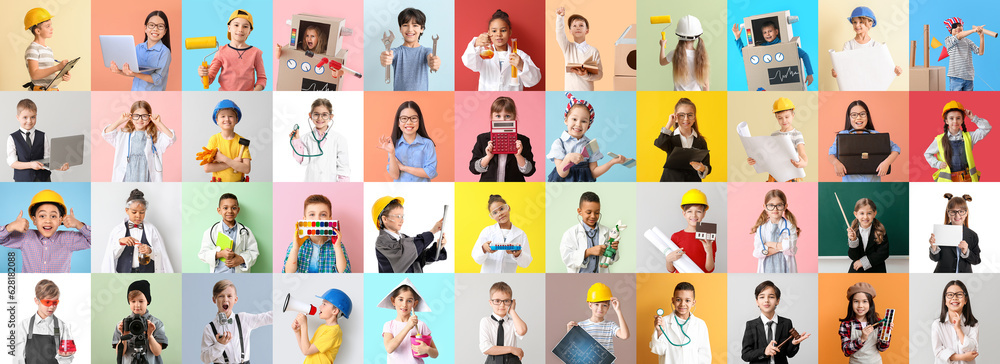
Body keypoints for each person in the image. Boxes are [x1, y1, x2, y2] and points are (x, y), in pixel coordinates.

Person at [0, 189, 89, 273]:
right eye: (42, 216)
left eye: (53, 216)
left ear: (60, 220)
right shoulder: (26, 237)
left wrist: (79, 225)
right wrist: (11, 227)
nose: (48, 221)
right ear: (34, 220)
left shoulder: (68, 239)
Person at [547, 92, 628, 182]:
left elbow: (593, 172)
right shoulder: (559, 143)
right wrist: (568, 158)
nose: (578, 124)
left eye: (584, 121)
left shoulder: (591, 145)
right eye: (574, 119)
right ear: (566, 120)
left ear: (589, 125)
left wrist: (612, 162)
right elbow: (562, 173)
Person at [461, 9, 541, 91]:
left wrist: (522, 65)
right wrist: (476, 44)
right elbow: (468, 62)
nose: (499, 34)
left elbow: (534, 80)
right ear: (488, 33)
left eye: (503, 30)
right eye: (494, 31)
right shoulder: (483, 53)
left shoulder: (520, 55)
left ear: (510, 32)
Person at [200, 280, 272, 364]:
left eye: (229, 296)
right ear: (214, 299)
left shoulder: (244, 319)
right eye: (221, 296)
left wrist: (285, 310)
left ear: (235, 299)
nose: (225, 299)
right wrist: (219, 345)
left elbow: (266, 317)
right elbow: (205, 359)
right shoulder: (209, 328)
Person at [102, 189, 173, 273]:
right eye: (134, 212)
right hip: (123, 275)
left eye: (142, 212)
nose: (138, 216)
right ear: (127, 210)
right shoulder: (117, 230)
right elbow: (110, 257)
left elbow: (161, 255)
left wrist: (150, 251)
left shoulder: (152, 230)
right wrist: (120, 242)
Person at [102, 100, 176, 182]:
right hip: (127, 176)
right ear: (131, 117)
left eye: (144, 116)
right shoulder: (123, 135)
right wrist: (120, 121)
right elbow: (107, 133)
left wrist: (159, 123)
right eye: (136, 116)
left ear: (149, 118)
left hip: (147, 176)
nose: (140, 119)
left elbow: (171, 138)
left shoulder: (155, 136)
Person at [827, 100, 900, 182]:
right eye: (854, 115)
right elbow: (831, 155)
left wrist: (886, 163)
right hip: (850, 185)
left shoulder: (875, 135)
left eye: (862, 114)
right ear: (849, 117)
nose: (858, 118)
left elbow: (896, 148)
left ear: (867, 116)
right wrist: (836, 163)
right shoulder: (842, 136)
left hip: (873, 184)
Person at [740, 281, 810, 364]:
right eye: (762, 297)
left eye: (771, 297)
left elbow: (790, 354)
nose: (766, 300)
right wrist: (764, 351)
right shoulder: (751, 325)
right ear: (757, 302)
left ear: (778, 301)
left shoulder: (786, 323)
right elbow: (745, 355)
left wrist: (794, 344)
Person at [372, 196, 446, 273]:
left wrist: (437, 247)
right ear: (385, 219)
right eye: (398, 216)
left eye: (402, 216)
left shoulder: (404, 238)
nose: (402, 220)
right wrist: (432, 231)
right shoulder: (382, 242)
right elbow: (408, 252)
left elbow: (420, 257)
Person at [469, 96, 535, 182]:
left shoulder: (523, 140)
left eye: (507, 116)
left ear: (514, 117)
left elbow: (529, 172)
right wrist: (488, 157)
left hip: (514, 189)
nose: (503, 120)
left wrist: (518, 155)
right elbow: (473, 169)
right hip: (489, 189)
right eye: (498, 116)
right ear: (492, 117)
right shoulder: (482, 139)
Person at [198, 9, 266, 91]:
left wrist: (254, 93)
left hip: (248, 97)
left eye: (245, 26)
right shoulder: (221, 51)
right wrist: (203, 75)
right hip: (225, 96)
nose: (240, 29)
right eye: (236, 25)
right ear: (229, 28)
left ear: (249, 31)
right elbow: (209, 79)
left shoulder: (256, 52)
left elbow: (262, 79)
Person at [732, 20, 813, 86]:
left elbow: (804, 55)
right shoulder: (762, 47)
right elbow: (745, 55)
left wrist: (809, 74)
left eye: (770, 31)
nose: (767, 34)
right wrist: (737, 37)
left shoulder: (785, 45)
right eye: (765, 32)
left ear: (776, 31)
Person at [923, 101, 990, 182]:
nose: (955, 121)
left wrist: (973, 118)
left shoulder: (969, 137)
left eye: (958, 118)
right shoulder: (939, 140)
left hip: (967, 178)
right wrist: (937, 164)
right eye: (951, 118)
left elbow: (986, 128)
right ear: (946, 121)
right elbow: (927, 154)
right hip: (947, 180)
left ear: (962, 120)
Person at [282, 194, 351, 273]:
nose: (317, 219)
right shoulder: (296, 245)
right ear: (305, 219)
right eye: (312, 214)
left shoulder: (338, 245)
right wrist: (295, 248)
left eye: (323, 215)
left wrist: (337, 247)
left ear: (330, 219)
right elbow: (287, 275)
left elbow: (346, 275)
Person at [14, 279, 76, 364]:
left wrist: (67, 356)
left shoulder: (62, 326)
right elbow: (18, 357)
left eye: (55, 302)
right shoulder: (25, 325)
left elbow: (66, 359)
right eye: (47, 302)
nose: (51, 307)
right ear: (37, 301)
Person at [831, 7, 902, 80]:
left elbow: (884, 67)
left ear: (870, 24)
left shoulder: (876, 46)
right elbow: (843, 66)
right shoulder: (849, 45)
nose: (857, 25)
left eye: (861, 22)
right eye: (854, 22)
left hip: (870, 84)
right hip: (854, 84)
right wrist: (836, 72)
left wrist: (896, 71)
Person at [290, 98, 351, 182]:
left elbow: (343, 169)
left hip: (331, 182)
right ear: (310, 116)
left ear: (331, 117)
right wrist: (296, 141)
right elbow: (303, 161)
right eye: (316, 114)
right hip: (311, 181)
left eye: (324, 115)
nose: (320, 118)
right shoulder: (305, 138)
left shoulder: (339, 139)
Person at [747, 98, 808, 182]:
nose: (784, 121)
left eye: (787, 117)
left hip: (791, 176)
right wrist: (755, 160)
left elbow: (802, 153)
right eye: (780, 118)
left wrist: (804, 163)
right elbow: (767, 155)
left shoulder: (797, 134)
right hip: (775, 176)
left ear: (793, 115)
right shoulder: (774, 135)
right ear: (776, 117)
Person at [109, 11, 172, 91]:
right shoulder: (138, 48)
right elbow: (132, 72)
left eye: (160, 26)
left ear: (165, 31)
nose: (155, 29)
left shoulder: (165, 52)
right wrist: (119, 71)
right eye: (151, 25)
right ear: (145, 29)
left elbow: (157, 80)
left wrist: (135, 73)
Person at [8, 99, 69, 182]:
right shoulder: (12, 138)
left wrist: (59, 167)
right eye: (25, 117)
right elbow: (12, 163)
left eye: (33, 117)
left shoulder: (43, 136)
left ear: (36, 116)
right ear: (18, 118)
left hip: (43, 180)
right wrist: (31, 165)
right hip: (23, 181)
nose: (29, 121)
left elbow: (47, 160)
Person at [376, 101, 438, 182]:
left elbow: (431, 172)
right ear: (398, 122)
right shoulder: (393, 145)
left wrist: (403, 168)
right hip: (400, 192)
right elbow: (394, 175)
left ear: (419, 120)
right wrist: (391, 153)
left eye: (413, 118)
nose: (409, 122)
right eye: (404, 118)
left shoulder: (427, 144)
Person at [380, 8, 441, 91]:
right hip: (399, 98)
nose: (410, 29)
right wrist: (385, 58)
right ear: (400, 28)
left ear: (422, 29)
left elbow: (431, 58)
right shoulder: (395, 52)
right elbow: (388, 56)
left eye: (415, 25)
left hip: (421, 98)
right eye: (405, 25)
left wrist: (435, 63)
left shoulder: (426, 51)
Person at [650, 282, 711, 363]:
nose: (682, 304)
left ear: (693, 302)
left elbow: (704, 356)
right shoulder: (663, 322)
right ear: (673, 301)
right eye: (678, 300)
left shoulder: (700, 324)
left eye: (687, 300)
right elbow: (659, 351)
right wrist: (659, 331)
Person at [380, 278, 439, 363]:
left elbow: (435, 354)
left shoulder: (421, 325)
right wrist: (408, 326)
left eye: (409, 301)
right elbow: (389, 348)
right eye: (400, 299)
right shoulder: (389, 325)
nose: (404, 304)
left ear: (414, 304)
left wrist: (427, 349)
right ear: (393, 301)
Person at [198, 193, 260, 273]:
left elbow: (254, 252)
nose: (230, 211)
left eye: (234, 208)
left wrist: (241, 259)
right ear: (219, 210)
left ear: (238, 210)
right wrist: (220, 254)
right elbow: (203, 254)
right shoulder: (210, 232)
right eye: (225, 208)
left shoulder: (246, 232)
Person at [560, 192, 619, 273]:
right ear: (579, 211)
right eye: (588, 212)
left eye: (597, 212)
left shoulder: (607, 232)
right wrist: (588, 252)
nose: (593, 216)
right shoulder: (570, 233)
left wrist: (613, 250)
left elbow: (611, 261)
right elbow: (567, 259)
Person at [567, 283, 630, 359]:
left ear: (608, 307)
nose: (600, 309)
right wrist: (570, 333)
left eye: (604, 305)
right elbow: (574, 349)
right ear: (590, 305)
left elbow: (625, 335)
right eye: (596, 304)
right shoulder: (581, 326)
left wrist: (618, 311)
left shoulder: (610, 325)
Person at [654, 98, 711, 181]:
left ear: (694, 118)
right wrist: (669, 123)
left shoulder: (700, 141)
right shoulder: (670, 137)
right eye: (681, 115)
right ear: (676, 117)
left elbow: (707, 165)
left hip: (692, 182)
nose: (686, 119)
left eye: (690, 115)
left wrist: (702, 168)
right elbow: (660, 143)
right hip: (670, 181)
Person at [113, 280, 168, 364]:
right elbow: (120, 353)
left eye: (141, 301)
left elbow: (157, 352)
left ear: (148, 301)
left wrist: (150, 335)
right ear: (129, 302)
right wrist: (124, 335)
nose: (137, 305)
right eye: (133, 301)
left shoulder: (156, 324)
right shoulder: (123, 324)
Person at [472, 195, 531, 273]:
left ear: (508, 208)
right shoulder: (487, 232)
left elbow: (526, 263)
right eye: (495, 212)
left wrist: (518, 254)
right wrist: (484, 248)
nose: (499, 214)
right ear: (492, 216)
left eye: (502, 209)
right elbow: (477, 259)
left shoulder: (520, 234)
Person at [838, 282, 892, 362]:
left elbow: (882, 348)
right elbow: (846, 351)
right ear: (851, 303)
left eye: (864, 301)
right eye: (856, 301)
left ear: (870, 304)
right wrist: (862, 338)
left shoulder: (879, 323)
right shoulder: (846, 325)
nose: (860, 305)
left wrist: (886, 334)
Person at [200, 99, 251, 182]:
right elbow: (207, 168)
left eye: (230, 116)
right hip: (218, 184)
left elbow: (246, 169)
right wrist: (234, 163)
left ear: (236, 119)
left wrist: (224, 159)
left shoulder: (242, 141)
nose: (227, 119)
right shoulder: (214, 140)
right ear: (217, 121)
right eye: (223, 116)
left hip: (238, 185)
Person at [667, 189, 716, 273]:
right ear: (684, 214)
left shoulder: (708, 236)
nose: (694, 215)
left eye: (698, 211)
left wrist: (709, 252)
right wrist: (668, 260)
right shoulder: (676, 236)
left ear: (704, 214)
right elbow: (671, 270)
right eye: (689, 211)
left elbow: (709, 269)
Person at [929, 194, 981, 273]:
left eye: (961, 211)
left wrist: (966, 251)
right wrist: (934, 247)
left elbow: (977, 260)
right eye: (953, 211)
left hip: (965, 277)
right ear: (948, 213)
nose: (957, 215)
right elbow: (935, 259)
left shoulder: (972, 235)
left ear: (966, 213)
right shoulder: (941, 231)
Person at [750, 189, 798, 273]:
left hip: (785, 268)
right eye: (771, 205)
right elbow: (757, 252)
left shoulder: (790, 226)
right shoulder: (761, 228)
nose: (775, 209)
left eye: (779, 205)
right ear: (765, 207)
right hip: (766, 269)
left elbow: (790, 246)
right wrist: (781, 247)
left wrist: (769, 244)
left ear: (785, 206)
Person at [930, 280, 979, 363]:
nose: (954, 298)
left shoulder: (973, 324)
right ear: (945, 301)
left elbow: (972, 349)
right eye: (950, 295)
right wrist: (963, 357)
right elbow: (938, 352)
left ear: (965, 300)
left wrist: (958, 329)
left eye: (959, 294)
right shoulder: (937, 324)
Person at [554, 7, 603, 91]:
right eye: (574, 26)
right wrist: (560, 17)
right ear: (570, 31)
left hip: (588, 92)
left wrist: (585, 75)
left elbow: (600, 74)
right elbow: (559, 33)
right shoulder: (568, 48)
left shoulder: (593, 51)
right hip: (571, 92)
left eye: (581, 25)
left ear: (586, 31)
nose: (578, 28)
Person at [23, 8, 71, 90]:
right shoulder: (33, 49)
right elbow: (35, 74)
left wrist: (61, 77)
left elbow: (47, 75)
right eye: (47, 26)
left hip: (51, 90)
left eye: (51, 25)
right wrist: (58, 67)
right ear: (38, 31)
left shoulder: (48, 49)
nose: (51, 28)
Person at [479, 282, 527, 362]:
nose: (502, 305)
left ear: (511, 303)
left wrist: (512, 311)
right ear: (490, 302)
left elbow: (522, 331)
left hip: (511, 361)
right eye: (497, 301)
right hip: (492, 361)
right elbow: (485, 348)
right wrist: (511, 349)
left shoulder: (513, 322)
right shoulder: (486, 321)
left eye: (506, 301)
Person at [659, 15, 709, 91]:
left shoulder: (674, 53)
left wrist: (662, 46)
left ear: (679, 35)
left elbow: (662, 62)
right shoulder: (700, 56)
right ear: (697, 35)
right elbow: (705, 85)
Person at [846, 198, 889, 273]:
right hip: (857, 270)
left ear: (874, 214)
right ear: (856, 214)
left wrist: (863, 262)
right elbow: (853, 257)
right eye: (862, 213)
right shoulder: (853, 232)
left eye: (869, 213)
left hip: (877, 271)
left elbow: (883, 253)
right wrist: (853, 240)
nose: (865, 217)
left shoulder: (880, 231)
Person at [943, 17, 986, 91]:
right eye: (954, 26)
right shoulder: (949, 40)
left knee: (967, 101)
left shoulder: (968, 41)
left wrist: (981, 35)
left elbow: (980, 52)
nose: (958, 27)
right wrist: (974, 30)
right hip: (956, 77)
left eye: (960, 25)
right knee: (956, 100)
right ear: (950, 31)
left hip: (969, 77)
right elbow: (959, 36)